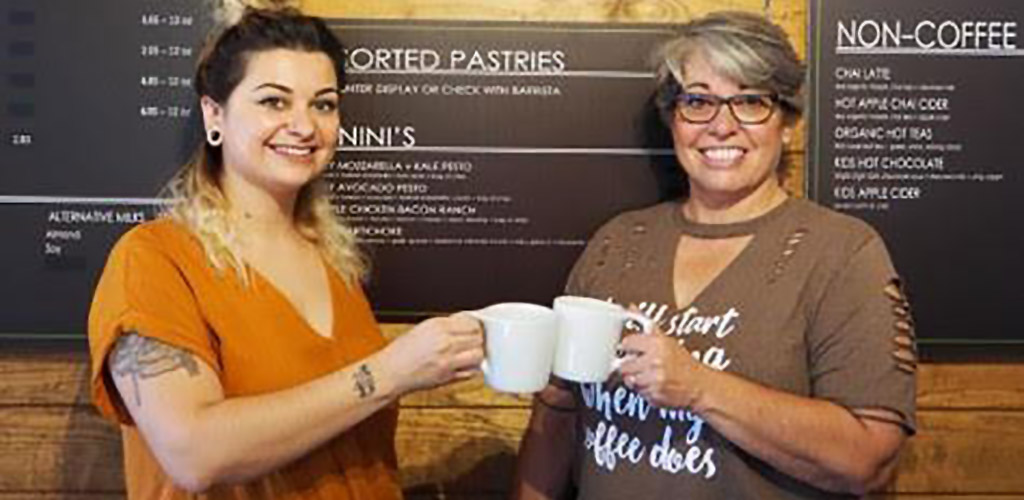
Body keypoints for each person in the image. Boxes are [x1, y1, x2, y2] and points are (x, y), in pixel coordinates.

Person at [513, 11, 917, 499]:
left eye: (750, 101)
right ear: (673, 119)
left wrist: (699, 387)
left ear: (788, 122)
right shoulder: (616, 243)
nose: (722, 126)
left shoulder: (842, 252)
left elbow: (869, 460)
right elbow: (556, 422)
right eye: (699, 101)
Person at [88, 8, 484, 499]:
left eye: (323, 104)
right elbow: (194, 453)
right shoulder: (154, 259)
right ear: (215, 115)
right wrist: (391, 372)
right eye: (274, 101)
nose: (303, 125)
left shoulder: (334, 262)